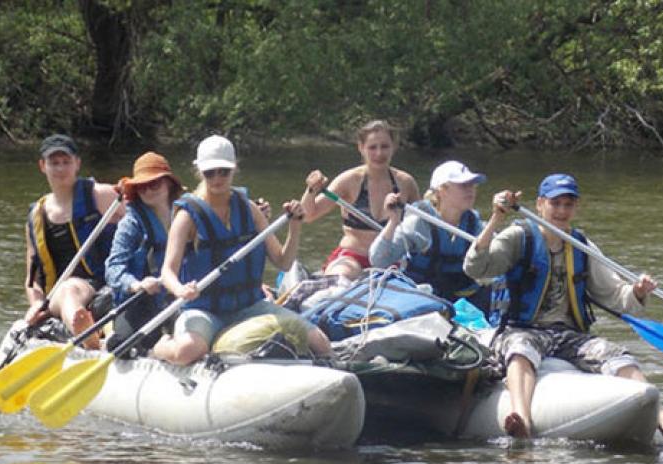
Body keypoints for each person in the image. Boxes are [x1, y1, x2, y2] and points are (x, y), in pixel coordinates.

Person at [463, 173, 663, 442]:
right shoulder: (519, 237)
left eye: (568, 204)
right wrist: (496, 218)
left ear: (576, 207)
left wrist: (637, 291)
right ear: (540, 204)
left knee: (619, 356)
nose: (562, 211)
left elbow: (615, 295)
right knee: (521, 351)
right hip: (521, 328)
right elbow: (475, 268)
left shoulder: (581, 246)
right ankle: (523, 419)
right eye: (556, 204)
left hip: (569, 334)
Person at [154, 134, 332, 365]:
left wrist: (295, 227)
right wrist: (180, 290)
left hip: (250, 306)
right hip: (205, 309)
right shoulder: (187, 215)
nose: (217, 178)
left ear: (234, 170)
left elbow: (283, 262)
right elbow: (167, 272)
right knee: (187, 351)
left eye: (223, 171)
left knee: (320, 342)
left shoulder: (249, 209)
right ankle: (160, 345)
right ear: (200, 172)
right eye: (210, 173)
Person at [24, 134, 123, 349]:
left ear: (77, 163)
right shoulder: (36, 216)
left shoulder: (101, 195)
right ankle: (87, 334)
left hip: (104, 281)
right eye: (54, 163)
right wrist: (36, 303)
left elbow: (142, 219)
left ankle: (90, 337)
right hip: (63, 292)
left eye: (66, 162)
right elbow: (33, 275)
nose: (60, 169)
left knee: (71, 289)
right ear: (43, 166)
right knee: (69, 290)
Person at [301, 120, 420, 279]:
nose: (379, 154)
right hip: (352, 258)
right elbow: (308, 215)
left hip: (390, 261)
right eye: (372, 147)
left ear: (394, 147)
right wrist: (311, 191)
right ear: (361, 148)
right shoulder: (349, 180)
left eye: (384, 146)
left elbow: (420, 229)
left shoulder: (406, 183)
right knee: (343, 275)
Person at [369, 160, 491, 314]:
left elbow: (497, 256)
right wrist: (393, 221)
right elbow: (379, 259)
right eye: (463, 185)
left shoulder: (475, 225)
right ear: (441, 190)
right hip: (424, 297)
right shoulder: (419, 222)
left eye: (472, 185)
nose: (470, 190)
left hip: (462, 297)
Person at [105, 152, 184, 354]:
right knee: (122, 345)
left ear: (168, 183)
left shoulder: (187, 215)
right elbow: (113, 269)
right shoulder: (130, 224)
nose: (148, 190)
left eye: (154, 184)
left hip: (180, 298)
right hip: (139, 303)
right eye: (142, 186)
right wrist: (136, 284)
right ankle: (102, 335)